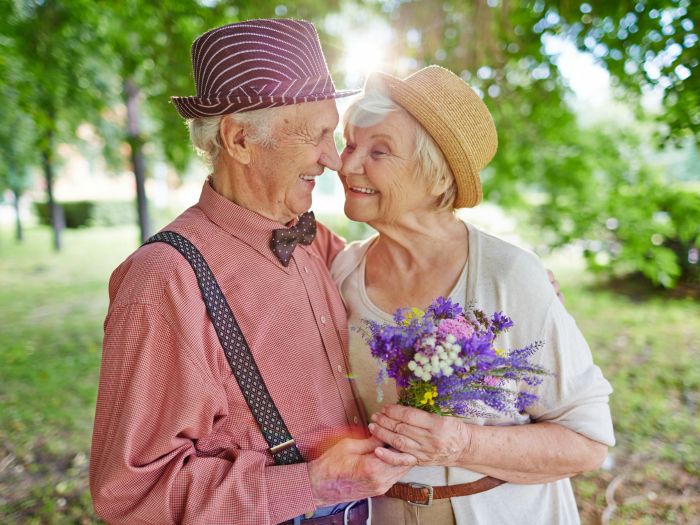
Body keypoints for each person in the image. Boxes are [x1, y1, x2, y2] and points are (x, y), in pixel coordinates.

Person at [89, 19, 418, 525]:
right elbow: (132, 494)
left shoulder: (311, 237)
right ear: (240, 139)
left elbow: (387, 269)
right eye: (317, 135)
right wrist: (308, 484)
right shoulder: (164, 280)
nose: (333, 160)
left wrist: (477, 273)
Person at [330, 65, 615, 524]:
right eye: (350, 144)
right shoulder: (344, 271)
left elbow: (587, 442)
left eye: (379, 151)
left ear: (438, 177)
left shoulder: (509, 275)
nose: (346, 165)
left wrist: (462, 442)